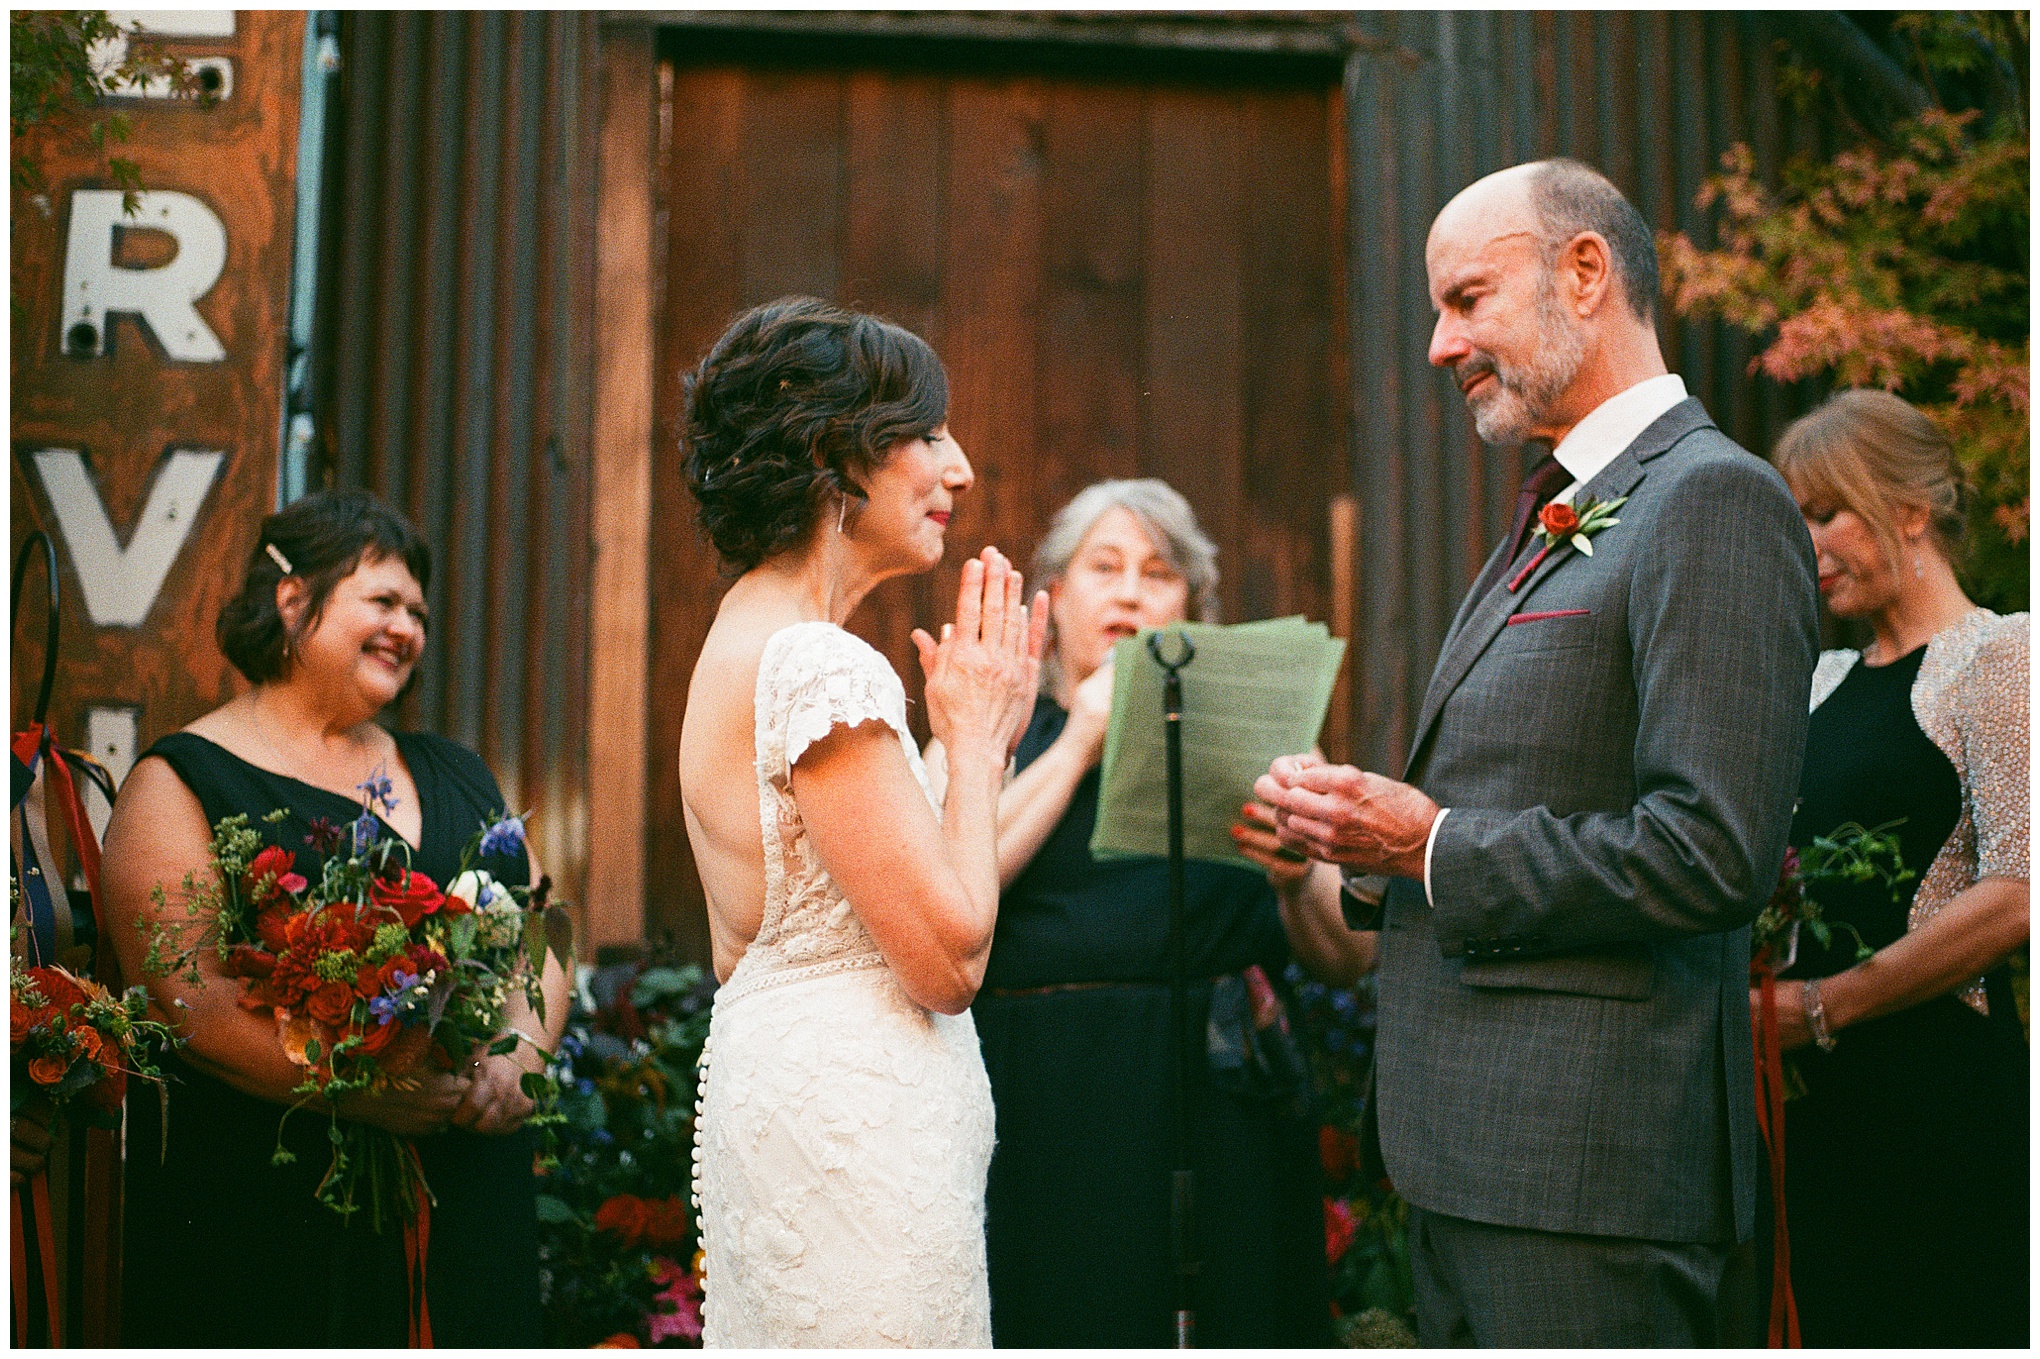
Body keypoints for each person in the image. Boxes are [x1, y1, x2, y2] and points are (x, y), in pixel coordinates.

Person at [1255, 159, 1819, 1346]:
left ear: (1583, 273)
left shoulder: (1712, 499)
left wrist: (1430, 841)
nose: (1437, 346)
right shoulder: (1561, 504)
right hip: (1479, 1169)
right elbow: (1520, 788)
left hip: (1591, 1183)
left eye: (1465, 300)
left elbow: (1711, 853)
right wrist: (1356, 836)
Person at [101, 489, 570, 1346]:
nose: (408, 629)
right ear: (292, 600)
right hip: (278, 1209)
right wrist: (356, 1090)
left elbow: (540, 932)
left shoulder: (452, 769)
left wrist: (521, 1056)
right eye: (384, 601)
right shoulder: (182, 778)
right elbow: (183, 991)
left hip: (464, 1193)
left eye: (419, 613)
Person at [922, 479, 1373, 1347]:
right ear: (1055, 598)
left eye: (1159, 572)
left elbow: (1346, 956)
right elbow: (944, 884)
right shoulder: (992, 730)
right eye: (1106, 566)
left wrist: (1292, 875)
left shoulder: (1262, 729)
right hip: (1046, 1100)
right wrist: (1086, 733)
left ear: (1191, 604)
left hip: (1219, 1098)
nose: (1131, 591)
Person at [677, 296, 1043, 1347]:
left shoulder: (747, 639)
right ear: (837, 453)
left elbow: (847, 867)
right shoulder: (817, 661)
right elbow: (949, 957)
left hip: (799, 1098)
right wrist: (971, 746)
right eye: (927, 434)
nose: (959, 468)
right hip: (855, 1135)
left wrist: (972, 739)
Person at [1758, 389, 2028, 1346]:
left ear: (1909, 509)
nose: (1809, 542)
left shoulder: (2002, 658)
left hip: (1940, 1106)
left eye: (1826, 512)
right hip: (1811, 1113)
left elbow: (2020, 891)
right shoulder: (1820, 682)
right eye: (1797, 517)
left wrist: (1829, 1004)